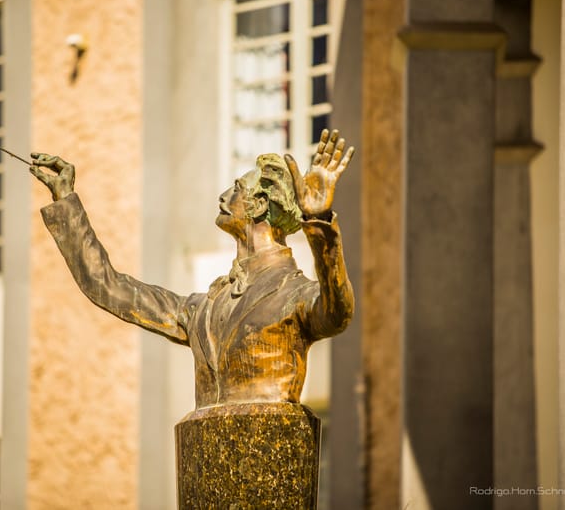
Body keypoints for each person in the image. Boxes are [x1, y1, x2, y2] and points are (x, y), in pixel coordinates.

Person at [30, 129, 355, 409]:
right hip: (203, 470)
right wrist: (66, 201)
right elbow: (110, 286)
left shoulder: (293, 294)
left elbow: (337, 310)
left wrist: (319, 221)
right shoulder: (203, 308)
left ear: (258, 206)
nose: (224, 196)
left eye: (237, 189)